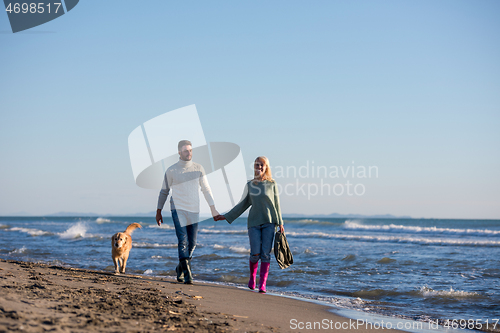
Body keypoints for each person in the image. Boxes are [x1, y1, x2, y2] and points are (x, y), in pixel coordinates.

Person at [215, 156, 284, 293]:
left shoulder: (272, 184)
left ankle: (262, 284)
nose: (258, 167)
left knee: (265, 254)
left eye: (261, 165)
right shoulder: (250, 185)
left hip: (269, 223)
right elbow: (243, 205)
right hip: (253, 223)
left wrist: (280, 223)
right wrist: (225, 216)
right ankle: (252, 278)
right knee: (255, 254)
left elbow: (277, 205)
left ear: (266, 167)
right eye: (256, 165)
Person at [156, 140, 219, 284]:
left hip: (194, 210)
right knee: (182, 240)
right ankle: (188, 274)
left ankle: (180, 267)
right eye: (185, 150)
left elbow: (206, 189)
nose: (188, 153)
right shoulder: (171, 170)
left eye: (190, 150)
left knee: (193, 243)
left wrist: (213, 208)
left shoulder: (198, 168)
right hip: (177, 209)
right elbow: (164, 191)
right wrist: (158, 211)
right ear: (179, 152)